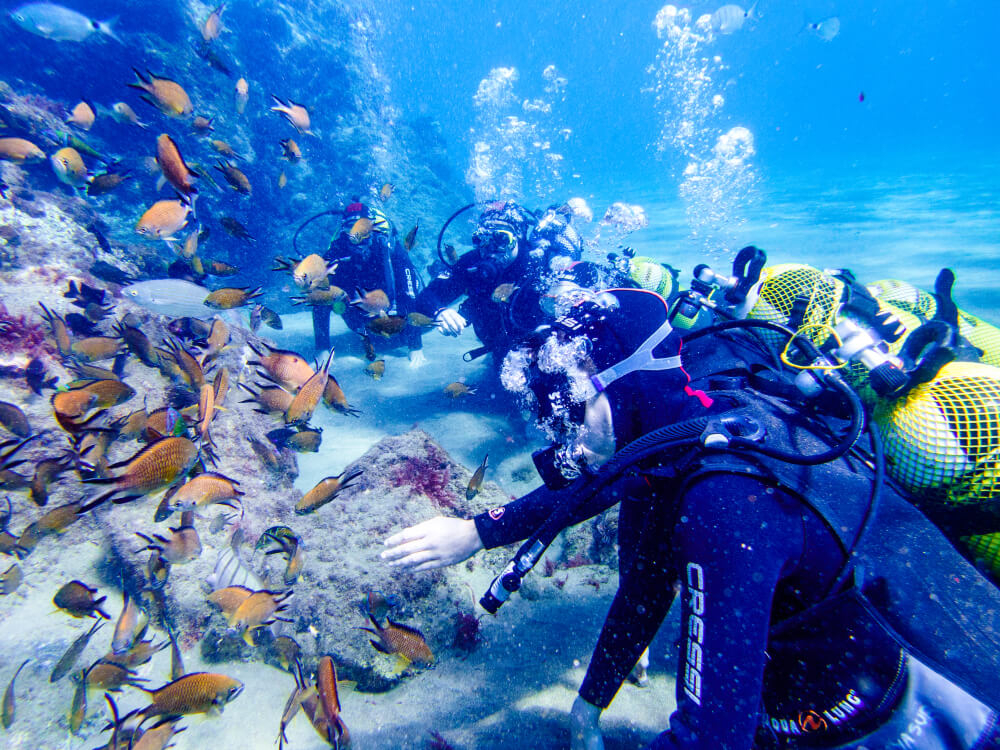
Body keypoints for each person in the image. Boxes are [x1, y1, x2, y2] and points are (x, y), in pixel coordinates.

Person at [382, 280, 1000, 749]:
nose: (565, 437)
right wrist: (590, 706)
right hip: (832, 690)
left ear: (625, 387)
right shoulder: (686, 433)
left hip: (888, 723)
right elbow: (645, 583)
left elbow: (710, 740)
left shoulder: (723, 502)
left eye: (575, 407)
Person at [414, 200, 584, 366]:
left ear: (517, 237)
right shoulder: (472, 263)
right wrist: (440, 311)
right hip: (500, 348)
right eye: (482, 239)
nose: (490, 249)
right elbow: (427, 296)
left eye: (501, 239)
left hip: (545, 345)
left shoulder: (538, 261)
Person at [313, 201, 426, 366]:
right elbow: (319, 296)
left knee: (420, 308)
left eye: (363, 228)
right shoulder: (338, 250)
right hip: (360, 317)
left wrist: (416, 346)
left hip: (395, 310)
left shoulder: (388, 247)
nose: (358, 237)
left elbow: (408, 292)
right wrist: (322, 348)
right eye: (351, 229)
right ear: (344, 231)